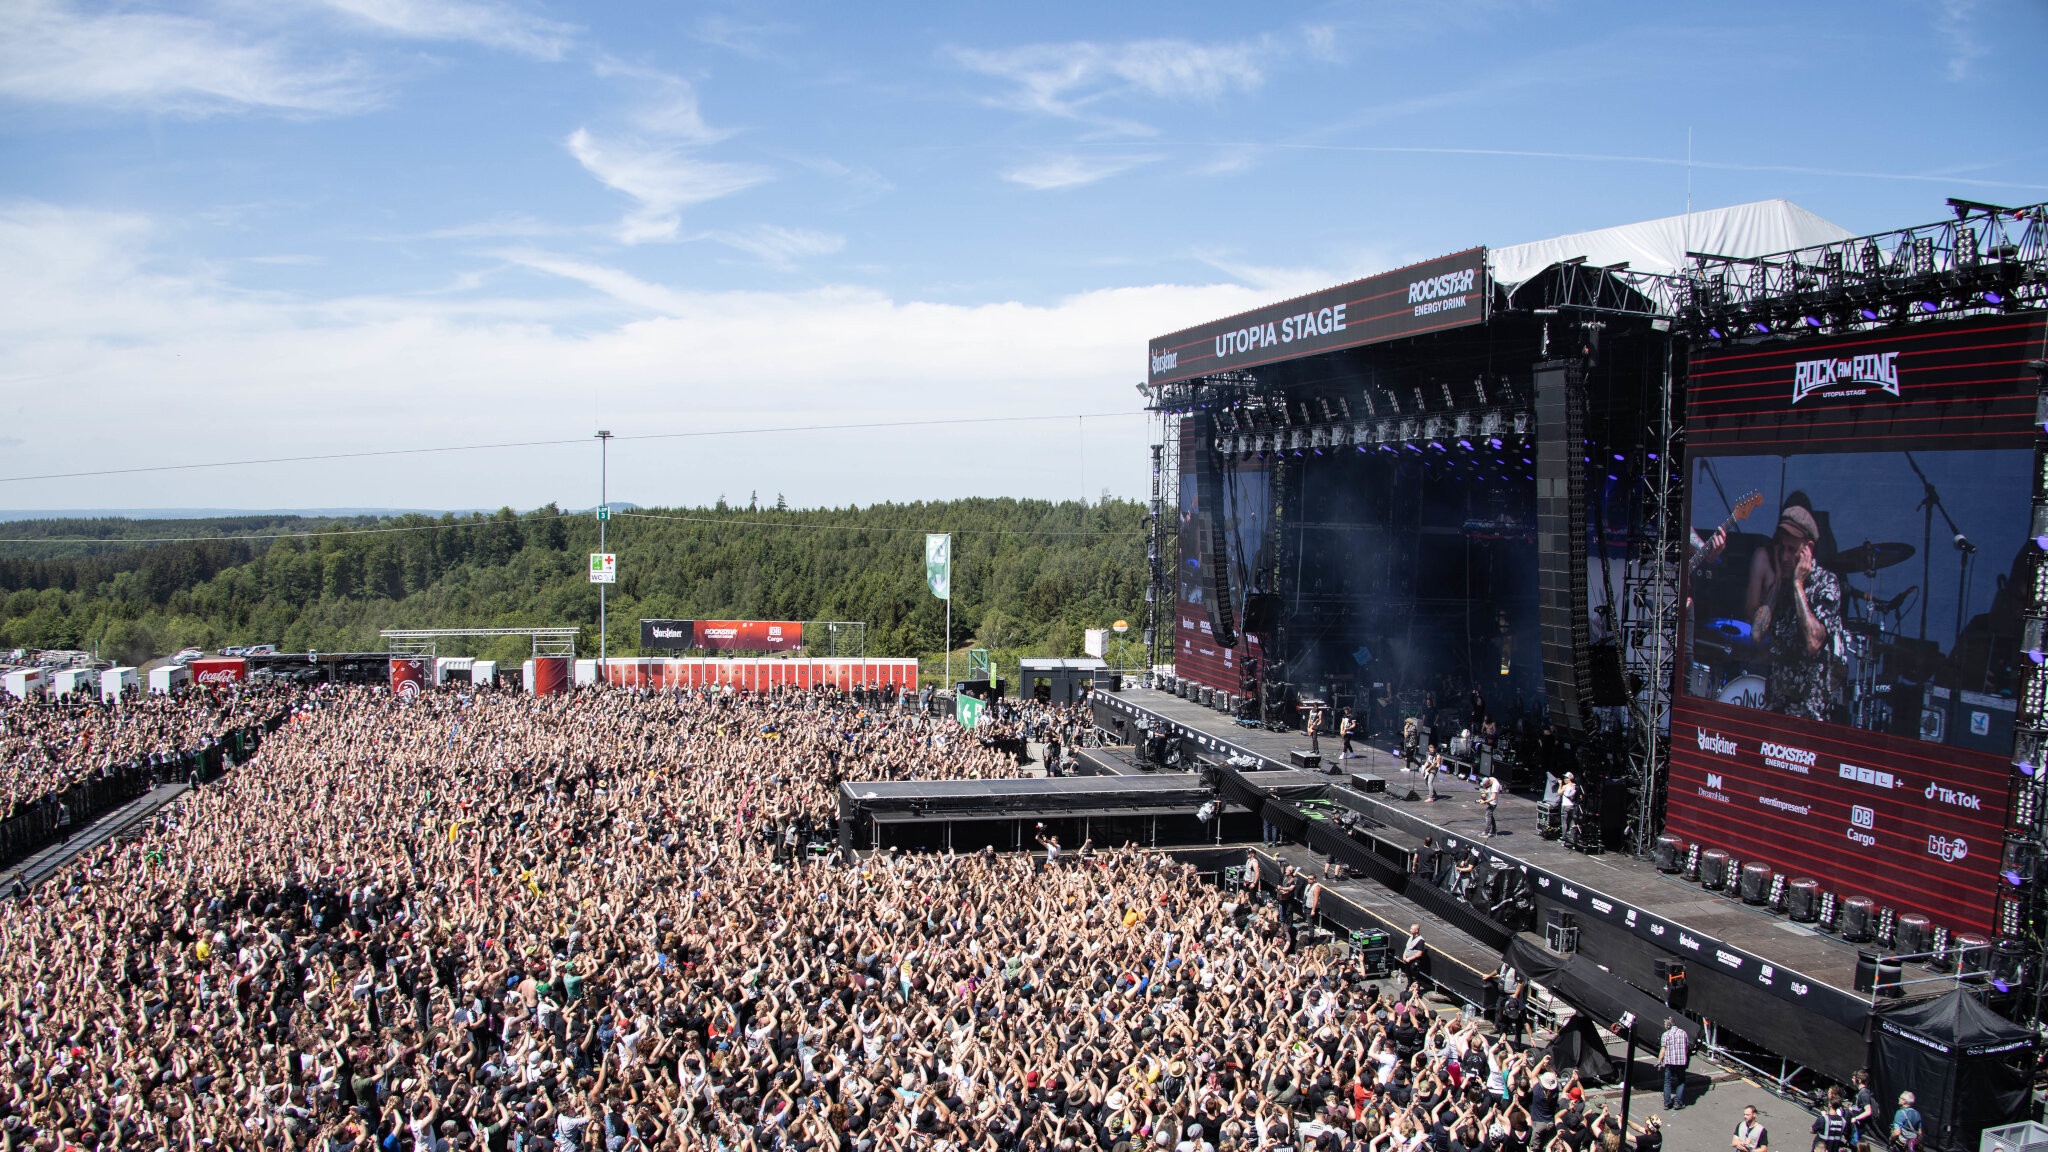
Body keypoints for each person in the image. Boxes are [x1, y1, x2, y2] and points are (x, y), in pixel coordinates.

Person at [1746, 503, 1843, 723]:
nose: (1786, 557)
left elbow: (1813, 641)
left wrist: (1798, 585)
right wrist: (1779, 582)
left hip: (1808, 713)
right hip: (1776, 708)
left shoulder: (1826, 584)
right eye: (1783, 549)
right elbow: (1756, 634)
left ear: (1808, 549)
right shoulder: (1780, 586)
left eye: (1793, 550)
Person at [1658, 1016, 1690, 1110]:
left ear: (1668, 1025)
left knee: (1667, 1082)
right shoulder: (1683, 1033)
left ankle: (1667, 1103)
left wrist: (1659, 1061)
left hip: (1669, 1062)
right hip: (1681, 1062)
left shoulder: (1666, 1035)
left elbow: (1663, 1050)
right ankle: (1678, 1102)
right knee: (1681, 1081)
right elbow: (1686, 1047)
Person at [1811, 1088, 1851, 1152]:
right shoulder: (1843, 1121)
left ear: (1830, 1104)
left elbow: (1812, 1130)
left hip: (1821, 1148)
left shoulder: (1823, 1119)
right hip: (1834, 1148)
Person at [1847, 1070, 1876, 1148]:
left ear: (1859, 1080)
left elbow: (1868, 1111)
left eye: (1854, 1078)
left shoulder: (1864, 1093)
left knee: (1855, 1145)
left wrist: (1856, 1118)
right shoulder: (1859, 1092)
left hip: (1858, 1125)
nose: (1852, 1079)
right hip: (1855, 1123)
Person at [1479, 773, 1502, 838]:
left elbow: (1493, 797)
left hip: (1493, 803)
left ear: (1487, 782)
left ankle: (1486, 832)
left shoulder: (1495, 785)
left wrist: (1484, 801)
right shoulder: (1491, 779)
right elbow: (1487, 788)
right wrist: (1484, 794)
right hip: (1490, 800)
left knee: (1488, 816)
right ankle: (1494, 830)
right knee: (1490, 815)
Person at [1559, 771, 1580, 842]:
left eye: (1566, 778)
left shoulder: (1565, 786)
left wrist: (1560, 784)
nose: (1564, 779)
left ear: (1569, 779)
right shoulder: (1575, 786)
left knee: (1564, 822)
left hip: (1565, 806)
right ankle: (1572, 837)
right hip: (1573, 806)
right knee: (1572, 821)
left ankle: (1564, 837)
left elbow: (1559, 793)